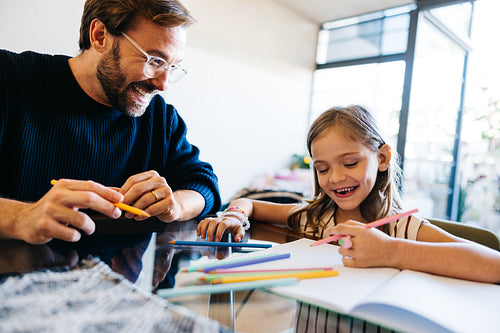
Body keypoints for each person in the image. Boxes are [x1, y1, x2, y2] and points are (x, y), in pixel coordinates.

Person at [198, 105, 500, 284]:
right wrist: (234, 215)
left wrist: (392, 250)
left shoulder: (401, 228)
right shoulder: (315, 217)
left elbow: (493, 264)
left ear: (381, 159)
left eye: (351, 163)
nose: (336, 177)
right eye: (322, 168)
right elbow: (248, 203)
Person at [0, 0, 221, 245]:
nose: (162, 84)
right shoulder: (10, 79)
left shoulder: (160, 118)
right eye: (154, 61)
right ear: (100, 36)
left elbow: (204, 184)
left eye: (172, 66)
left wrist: (175, 205)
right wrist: (20, 217)